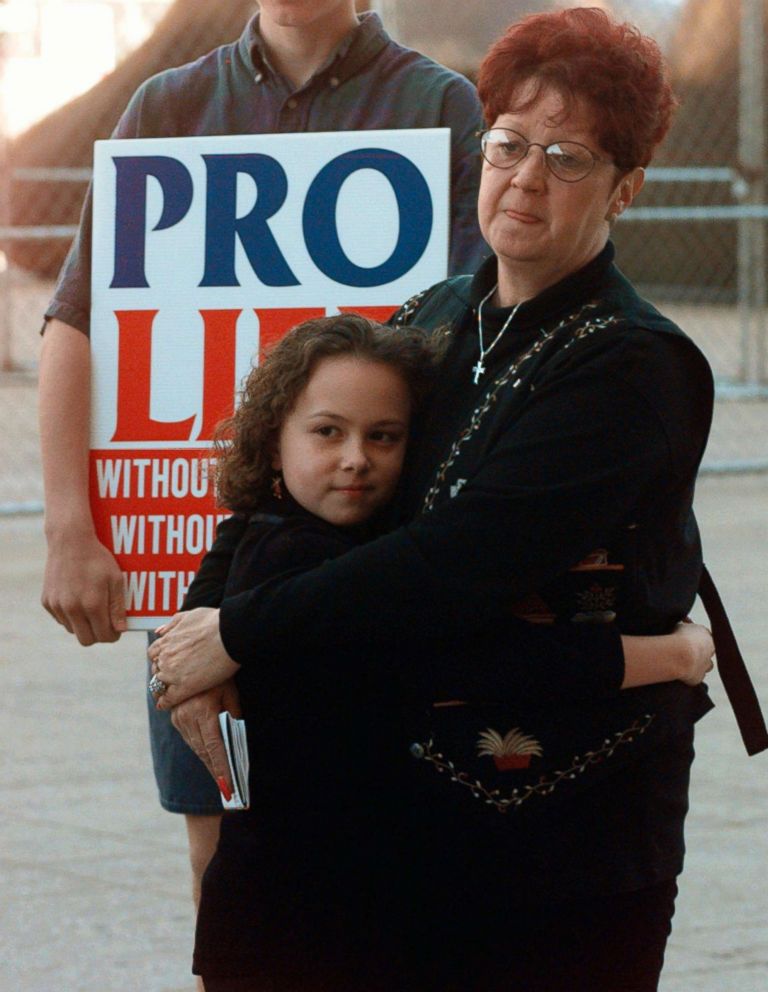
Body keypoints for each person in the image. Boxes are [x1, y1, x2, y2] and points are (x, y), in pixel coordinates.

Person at [150, 8, 730, 989]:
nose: (527, 176)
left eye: (569, 156)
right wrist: (195, 639)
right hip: (396, 816)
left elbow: (452, 564)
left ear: (625, 189)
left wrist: (240, 629)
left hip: (562, 833)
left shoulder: (634, 366)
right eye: (508, 143)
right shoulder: (434, 313)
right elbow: (275, 486)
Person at [38, 0, 486, 917]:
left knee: (395, 862)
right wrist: (68, 526)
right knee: (227, 867)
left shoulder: (438, 105)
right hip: (206, 574)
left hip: (379, 572)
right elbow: (76, 321)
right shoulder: (169, 105)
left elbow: (481, 331)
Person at [153, 315, 713, 992]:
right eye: (327, 432)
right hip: (298, 930)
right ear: (274, 442)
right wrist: (672, 658)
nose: (356, 457)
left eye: (383, 437)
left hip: (329, 915)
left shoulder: (300, 539)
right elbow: (484, 660)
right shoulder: (295, 560)